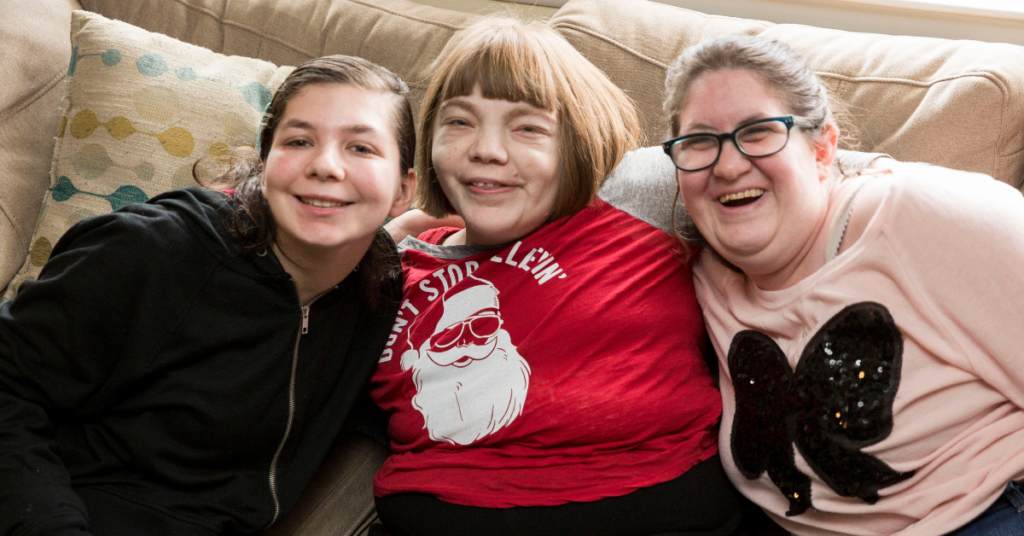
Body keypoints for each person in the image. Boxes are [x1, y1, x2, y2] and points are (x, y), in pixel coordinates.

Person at [368, 17, 761, 536]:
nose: (486, 149)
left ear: (576, 144)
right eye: (459, 122)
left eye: (528, 127)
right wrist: (379, 235)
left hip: (653, 508)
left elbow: (800, 167)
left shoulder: (639, 195)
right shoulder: (392, 268)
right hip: (436, 513)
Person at [0, 55, 416, 535]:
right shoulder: (153, 251)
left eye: (361, 147)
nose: (325, 165)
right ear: (266, 165)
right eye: (299, 141)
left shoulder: (383, 293)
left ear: (404, 189)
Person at [658, 34, 1024, 535]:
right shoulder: (693, 266)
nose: (727, 165)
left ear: (824, 147)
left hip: (985, 513)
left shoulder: (920, 216)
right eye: (700, 141)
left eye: (759, 131)